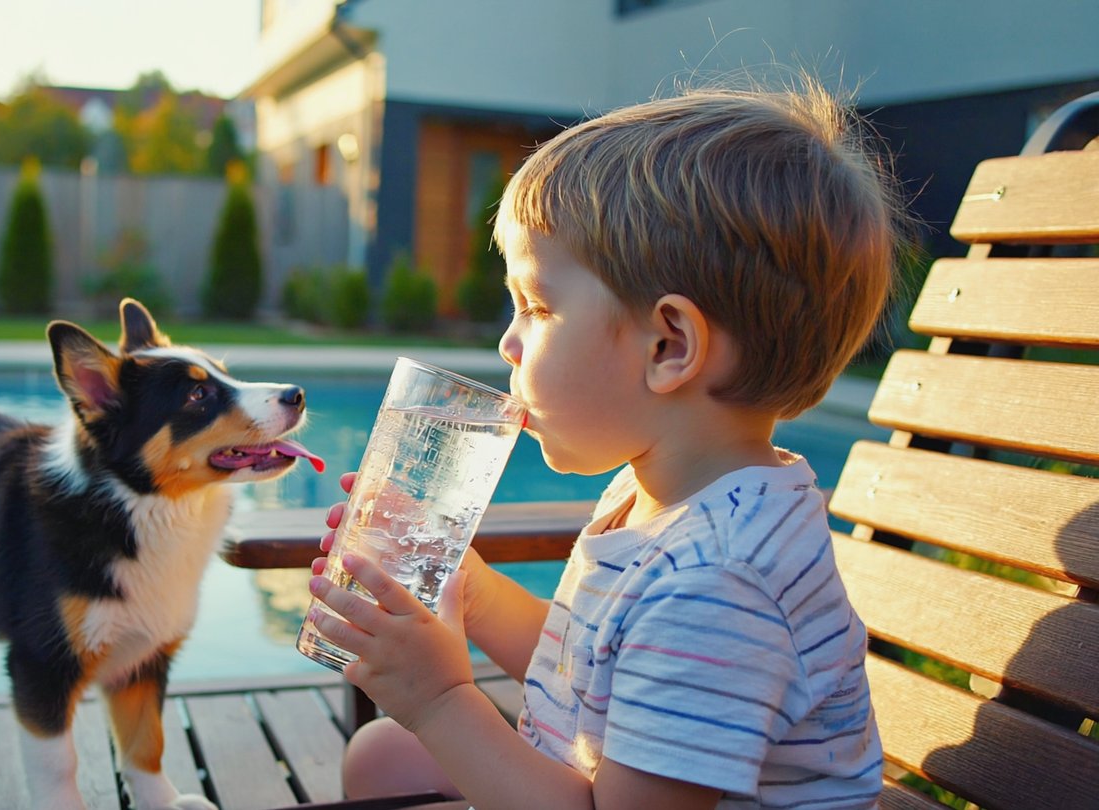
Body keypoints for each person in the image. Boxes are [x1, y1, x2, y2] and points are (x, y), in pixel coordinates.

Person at [305, 77, 905, 810]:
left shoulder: (718, 582)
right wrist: (472, 590)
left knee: (400, 746)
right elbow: (587, 668)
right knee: (384, 757)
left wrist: (436, 699)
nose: (508, 343)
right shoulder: (659, 494)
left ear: (668, 346)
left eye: (535, 306)